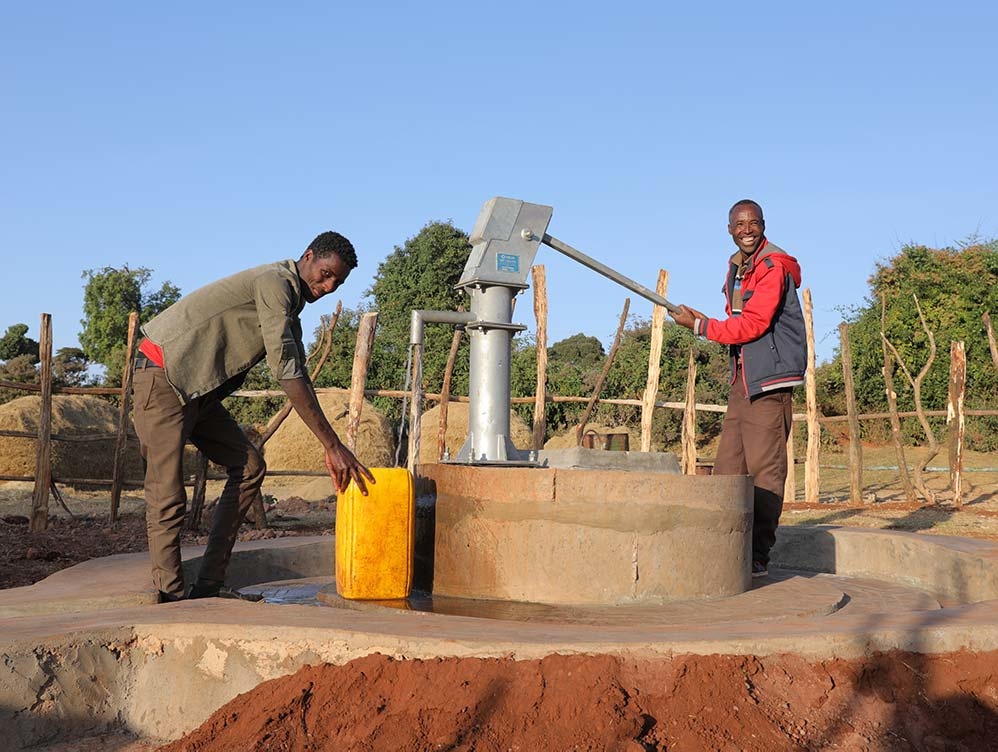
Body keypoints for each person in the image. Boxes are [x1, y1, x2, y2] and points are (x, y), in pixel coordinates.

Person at [132, 231, 375, 602]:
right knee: (167, 494)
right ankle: (172, 599)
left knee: (248, 467)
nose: (327, 287)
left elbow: (300, 373)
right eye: (325, 274)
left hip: (198, 391)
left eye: (336, 283)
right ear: (307, 256)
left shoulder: (290, 308)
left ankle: (209, 585)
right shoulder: (275, 283)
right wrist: (332, 445)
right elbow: (286, 371)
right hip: (164, 375)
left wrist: (332, 441)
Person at [669, 200, 806, 578]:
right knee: (729, 473)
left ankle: (757, 556)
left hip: (770, 382)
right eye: (739, 224)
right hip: (743, 381)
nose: (747, 230)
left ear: (763, 225)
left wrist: (700, 328)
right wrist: (705, 321)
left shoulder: (773, 266)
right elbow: (736, 322)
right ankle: (725, 550)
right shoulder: (737, 267)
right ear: (729, 229)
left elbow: (754, 324)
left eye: (753, 223)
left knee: (765, 474)